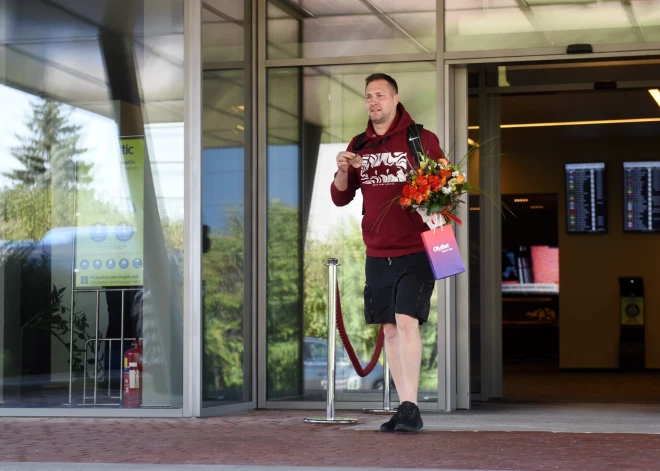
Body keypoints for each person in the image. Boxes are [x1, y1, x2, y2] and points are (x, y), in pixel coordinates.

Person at [330, 73, 445, 433]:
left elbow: (443, 186)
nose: (373, 101)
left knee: (408, 321)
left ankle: (411, 406)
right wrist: (342, 171)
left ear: (396, 98)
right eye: (368, 96)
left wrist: (408, 177)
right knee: (391, 330)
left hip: (417, 247)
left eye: (380, 95)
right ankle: (403, 404)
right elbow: (340, 197)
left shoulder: (421, 139)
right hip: (377, 251)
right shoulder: (359, 143)